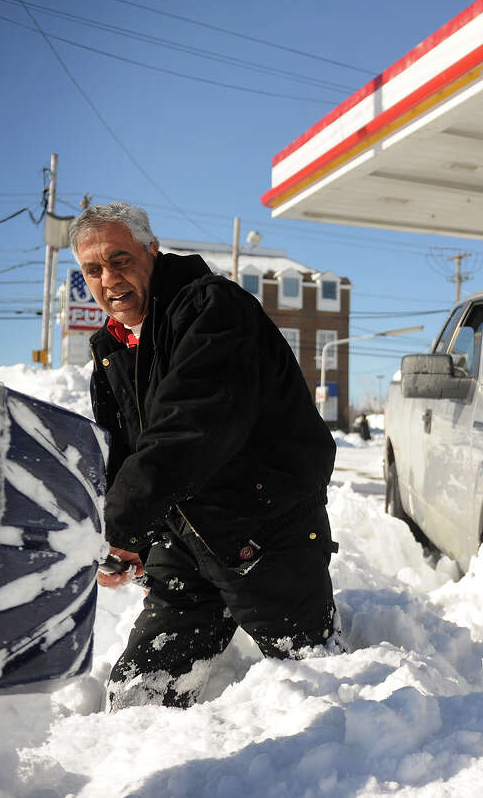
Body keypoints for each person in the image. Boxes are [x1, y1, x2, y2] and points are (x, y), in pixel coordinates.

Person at [72, 201, 340, 709]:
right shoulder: (112, 347)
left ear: (152, 251)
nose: (109, 279)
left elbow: (188, 429)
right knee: (139, 698)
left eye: (121, 259)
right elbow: (124, 451)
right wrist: (120, 537)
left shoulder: (213, 310)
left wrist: (123, 526)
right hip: (183, 535)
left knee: (315, 686)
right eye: (93, 269)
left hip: (265, 527)